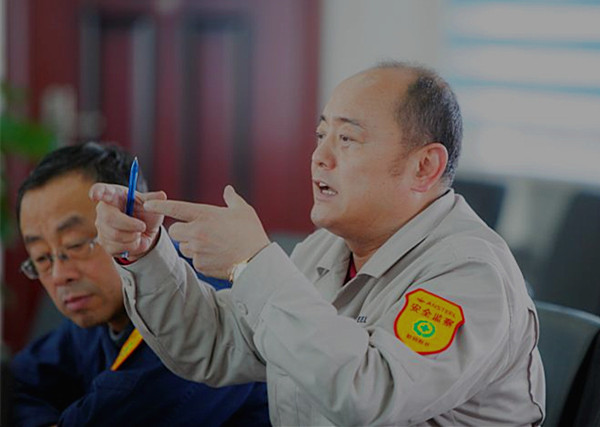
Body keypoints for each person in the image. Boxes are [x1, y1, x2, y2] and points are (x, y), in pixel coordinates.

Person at [91, 62, 546, 425]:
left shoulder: (471, 272)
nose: (319, 157)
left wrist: (252, 263)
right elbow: (212, 344)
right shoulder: (325, 249)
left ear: (424, 166)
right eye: (321, 135)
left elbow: (370, 394)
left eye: (347, 138)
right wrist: (147, 251)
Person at [11, 142, 270, 427]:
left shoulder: (200, 315)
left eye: (75, 245)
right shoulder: (94, 314)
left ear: (128, 221)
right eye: (42, 257)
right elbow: (16, 383)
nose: (60, 275)